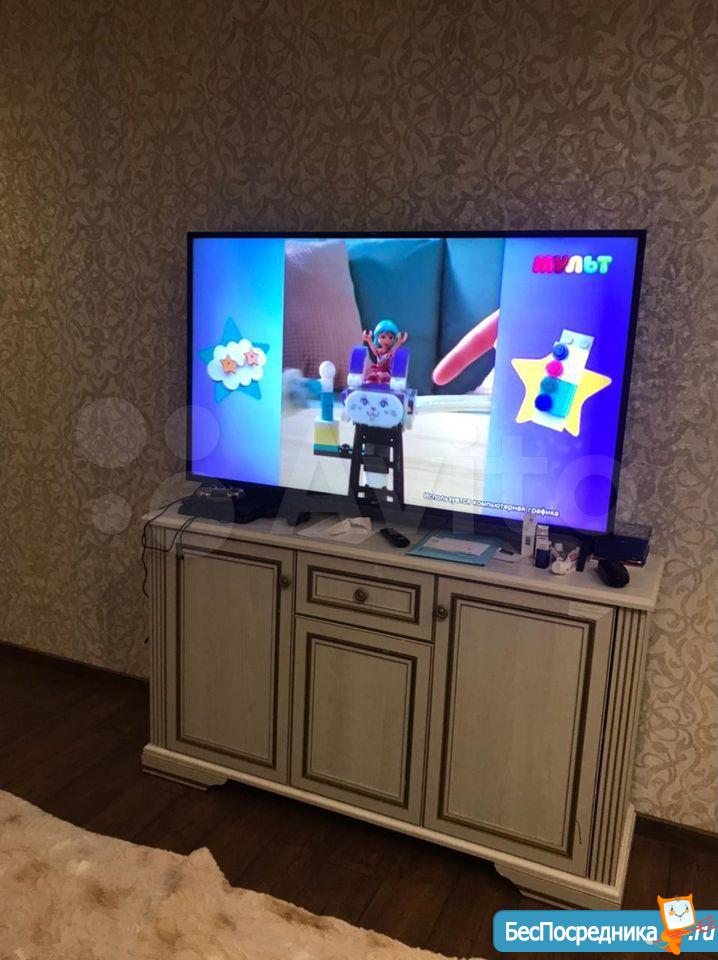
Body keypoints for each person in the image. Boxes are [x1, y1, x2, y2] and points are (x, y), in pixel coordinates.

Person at [362, 319, 408, 384]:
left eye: (390, 337)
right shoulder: (378, 351)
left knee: (385, 378)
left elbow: (394, 349)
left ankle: (384, 382)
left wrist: (399, 342)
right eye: (383, 337)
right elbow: (374, 349)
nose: (387, 340)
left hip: (387, 371)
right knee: (371, 378)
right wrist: (369, 340)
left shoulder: (390, 352)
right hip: (377, 370)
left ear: (394, 339)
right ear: (377, 337)